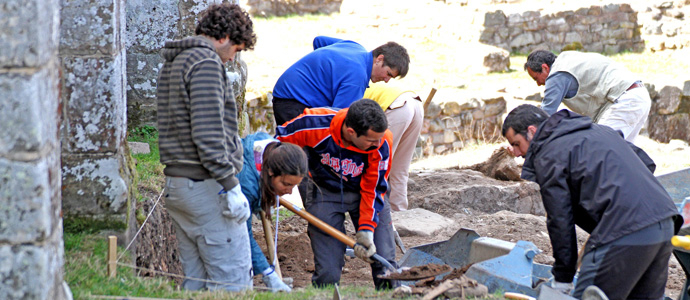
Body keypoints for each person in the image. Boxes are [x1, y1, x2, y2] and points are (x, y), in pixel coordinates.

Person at [502, 104, 682, 299]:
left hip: (626, 227)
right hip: (665, 223)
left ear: (531, 131)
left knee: (587, 294)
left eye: (516, 143)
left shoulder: (549, 154)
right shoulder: (599, 130)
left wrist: (563, 278)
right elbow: (646, 162)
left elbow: (560, 219)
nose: (516, 152)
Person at [156, 3, 256, 291]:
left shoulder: (175, 61)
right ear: (223, 37)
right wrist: (231, 185)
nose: (231, 58)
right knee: (233, 285)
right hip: (206, 184)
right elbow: (207, 132)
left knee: (196, 284)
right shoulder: (206, 63)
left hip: (179, 184)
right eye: (235, 49)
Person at [274, 99, 398, 289]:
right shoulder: (314, 124)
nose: (378, 143)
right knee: (328, 272)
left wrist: (366, 229)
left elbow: (374, 188)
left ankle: (391, 294)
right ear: (351, 132)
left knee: (384, 261)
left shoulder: (382, 142)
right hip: (323, 192)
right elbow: (277, 145)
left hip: (365, 195)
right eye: (372, 140)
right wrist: (273, 182)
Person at [271, 36, 410, 125]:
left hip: (285, 91)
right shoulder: (357, 78)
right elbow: (337, 119)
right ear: (379, 59)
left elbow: (319, 40)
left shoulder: (355, 47)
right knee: (303, 158)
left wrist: (323, 74)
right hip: (292, 103)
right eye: (388, 74)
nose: (386, 80)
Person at [523, 50, 651, 142]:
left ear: (545, 68)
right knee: (623, 155)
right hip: (638, 95)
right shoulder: (568, 59)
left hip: (624, 100)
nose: (539, 84)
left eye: (536, 78)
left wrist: (524, 137)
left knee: (598, 148)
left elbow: (546, 114)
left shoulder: (557, 74)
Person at [237, 132, 308, 293]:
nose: (290, 192)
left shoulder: (271, 149)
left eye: (294, 186)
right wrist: (268, 274)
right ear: (270, 172)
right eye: (286, 184)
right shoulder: (246, 183)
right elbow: (242, 235)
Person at [363, 83, 424, 211]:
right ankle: (399, 212)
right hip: (415, 102)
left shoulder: (348, 90)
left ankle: (376, 213)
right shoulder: (362, 82)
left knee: (378, 164)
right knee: (400, 168)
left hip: (397, 107)